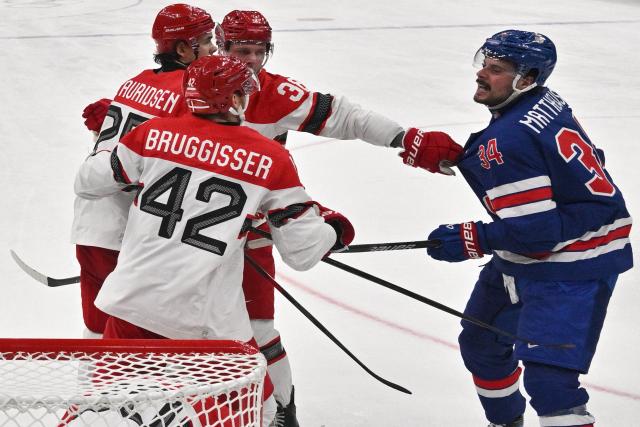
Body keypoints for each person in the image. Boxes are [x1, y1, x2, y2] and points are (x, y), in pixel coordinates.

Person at [74, 54, 355, 427]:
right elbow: (302, 252)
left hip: (129, 303)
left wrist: (112, 143)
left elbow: (88, 183)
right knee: (261, 412)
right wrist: (334, 229)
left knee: (117, 414)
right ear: (235, 99)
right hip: (204, 320)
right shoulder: (271, 157)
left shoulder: (151, 133)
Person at [216, 10, 464, 425]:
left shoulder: (275, 94)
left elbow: (345, 116)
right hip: (189, 236)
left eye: (260, 52)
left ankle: (282, 413)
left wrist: (402, 138)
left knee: (258, 329)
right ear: (221, 46)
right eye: (243, 51)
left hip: (250, 233)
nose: (253, 62)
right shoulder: (188, 88)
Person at [425, 30, 633, 427]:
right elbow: (560, 167)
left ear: (527, 78)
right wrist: (459, 156)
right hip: (539, 253)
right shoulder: (545, 103)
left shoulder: (509, 139)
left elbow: (536, 232)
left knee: (550, 380)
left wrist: (474, 238)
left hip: (575, 263)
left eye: (496, 69)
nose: (482, 74)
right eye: (484, 63)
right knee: (482, 341)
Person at [71, 3, 218, 338]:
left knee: (95, 331)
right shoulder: (190, 92)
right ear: (182, 48)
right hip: (129, 232)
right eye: (206, 41)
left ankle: (89, 391)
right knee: (141, 344)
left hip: (91, 223)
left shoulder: (134, 82)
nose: (212, 49)